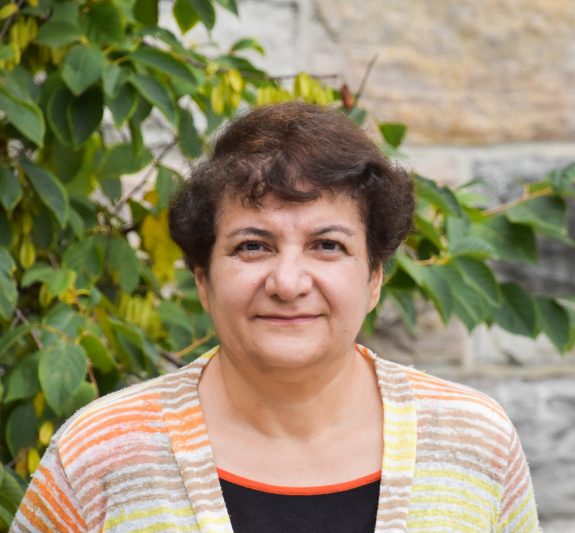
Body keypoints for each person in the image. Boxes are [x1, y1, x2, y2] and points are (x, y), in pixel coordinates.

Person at [11, 102, 541, 532]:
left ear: (375, 277)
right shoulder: (101, 454)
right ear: (203, 278)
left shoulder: (474, 442)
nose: (288, 283)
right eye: (253, 247)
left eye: (327, 245)